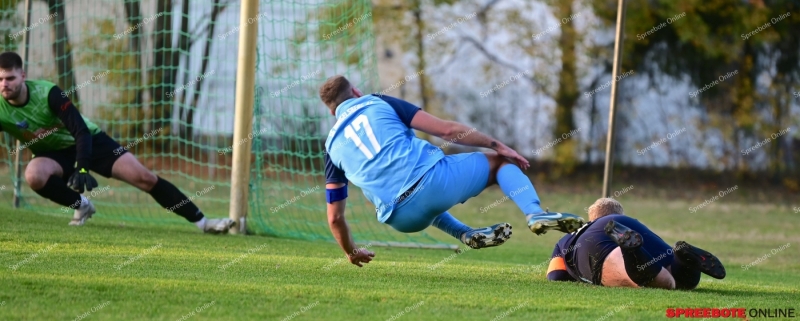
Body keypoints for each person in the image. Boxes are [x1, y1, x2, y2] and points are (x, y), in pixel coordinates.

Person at [318, 75, 586, 267]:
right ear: (356, 92)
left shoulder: (331, 146)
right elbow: (447, 131)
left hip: (401, 218)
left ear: (333, 113)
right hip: (435, 183)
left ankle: (464, 234)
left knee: (417, 196)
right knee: (500, 163)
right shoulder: (376, 102)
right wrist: (498, 145)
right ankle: (535, 213)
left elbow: (334, 218)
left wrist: (351, 252)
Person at [0, 51, 234, 233]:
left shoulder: (49, 93)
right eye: (0, 79)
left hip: (90, 141)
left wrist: (82, 166)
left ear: (23, 75)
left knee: (145, 178)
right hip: (53, 154)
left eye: (10, 78)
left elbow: (80, 130)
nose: (4, 84)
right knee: (33, 175)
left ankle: (203, 222)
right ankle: (82, 206)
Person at [546, 198, 726, 289]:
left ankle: (631, 252)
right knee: (678, 278)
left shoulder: (572, 235)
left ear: (591, 219)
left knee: (666, 284)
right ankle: (682, 257)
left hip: (592, 243)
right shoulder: (627, 220)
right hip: (635, 228)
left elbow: (555, 276)